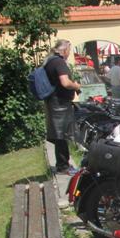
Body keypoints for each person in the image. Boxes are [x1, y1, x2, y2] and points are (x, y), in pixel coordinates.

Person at [44, 39, 82, 173]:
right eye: (69, 51)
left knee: (60, 135)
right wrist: (76, 85)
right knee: (62, 135)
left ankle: (62, 164)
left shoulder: (50, 61)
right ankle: (63, 166)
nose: (69, 53)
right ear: (64, 50)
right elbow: (65, 83)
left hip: (54, 103)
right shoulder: (59, 62)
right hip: (59, 105)